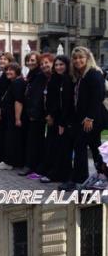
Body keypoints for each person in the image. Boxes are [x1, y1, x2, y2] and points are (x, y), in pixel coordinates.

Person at [63, 46, 108, 189]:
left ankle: (79, 179)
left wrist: (90, 118)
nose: (77, 60)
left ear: (88, 58)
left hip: (92, 119)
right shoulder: (81, 75)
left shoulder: (94, 74)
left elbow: (97, 98)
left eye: (81, 57)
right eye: (75, 58)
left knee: (81, 146)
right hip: (85, 119)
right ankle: (102, 175)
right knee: (95, 148)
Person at [39, 55, 74, 183]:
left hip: (62, 120)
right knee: (52, 146)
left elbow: (66, 103)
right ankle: (51, 171)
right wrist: (49, 114)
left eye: (61, 65)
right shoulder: (55, 79)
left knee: (61, 148)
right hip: (53, 118)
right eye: (57, 65)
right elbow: (51, 100)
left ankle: (59, 174)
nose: (59, 67)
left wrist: (62, 123)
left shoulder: (68, 80)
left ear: (67, 65)